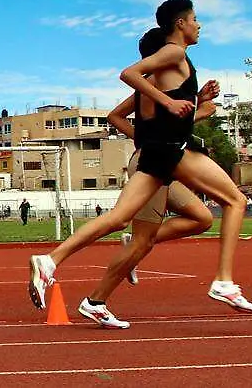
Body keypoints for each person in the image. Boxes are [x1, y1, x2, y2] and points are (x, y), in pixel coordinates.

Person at [27, 0, 252, 325]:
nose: (199, 24)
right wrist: (176, 106)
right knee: (235, 200)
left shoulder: (172, 68)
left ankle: (50, 261)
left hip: (161, 152)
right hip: (167, 151)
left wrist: (195, 102)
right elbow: (131, 77)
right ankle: (223, 281)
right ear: (179, 25)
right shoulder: (173, 55)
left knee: (123, 218)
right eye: (195, 18)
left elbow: (165, 113)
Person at [72, 73, 221, 329]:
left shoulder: (171, 84)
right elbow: (155, 122)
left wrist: (198, 101)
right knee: (138, 237)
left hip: (166, 164)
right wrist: (198, 112)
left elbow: (122, 117)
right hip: (151, 164)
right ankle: (95, 301)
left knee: (202, 218)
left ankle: (133, 242)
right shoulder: (153, 83)